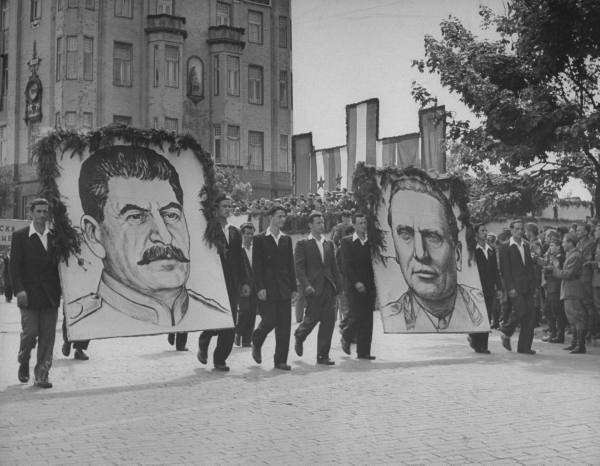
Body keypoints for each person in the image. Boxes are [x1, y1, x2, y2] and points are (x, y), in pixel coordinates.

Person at [68, 145, 230, 339]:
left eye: (171, 215)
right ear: (94, 235)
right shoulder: (84, 323)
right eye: (136, 217)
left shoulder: (216, 315)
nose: (165, 237)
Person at [381, 172, 485, 332]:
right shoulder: (391, 318)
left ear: (457, 254)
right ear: (396, 252)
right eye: (406, 235)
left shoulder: (481, 308)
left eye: (432, 236)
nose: (420, 254)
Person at [10, 198, 61, 388]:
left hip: (50, 295)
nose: (42, 215)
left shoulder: (56, 237)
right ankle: (24, 359)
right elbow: (14, 267)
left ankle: (42, 375)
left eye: (45, 211)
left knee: (48, 337)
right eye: (38, 211)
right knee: (30, 333)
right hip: (28, 295)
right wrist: (19, 290)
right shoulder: (20, 236)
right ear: (30, 213)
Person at [198, 194, 248, 371]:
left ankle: (220, 359)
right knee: (216, 318)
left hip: (232, 282)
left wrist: (244, 281)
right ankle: (204, 339)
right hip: (214, 281)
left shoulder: (235, 231)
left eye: (230, 206)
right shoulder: (209, 229)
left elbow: (240, 258)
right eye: (224, 206)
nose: (228, 209)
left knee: (230, 322)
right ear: (216, 208)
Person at [251, 204, 297, 370]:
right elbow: (257, 266)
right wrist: (260, 287)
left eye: (284, 216)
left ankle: (280, 360)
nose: (282, 219)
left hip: (284, 287)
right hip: (267, 288)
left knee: (284, 326)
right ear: (271, 217)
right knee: (270, 320)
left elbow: (290, 265)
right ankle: (257, 339)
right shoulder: (260, 239)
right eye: (279, 216)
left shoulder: (286, 239)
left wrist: (294, 288)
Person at [294, 211, 341, 365]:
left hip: (329, 287)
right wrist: (306, 285)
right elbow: (299, 268)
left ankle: (323, 355)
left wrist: (339, 286)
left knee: (328, 322)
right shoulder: (303, 244)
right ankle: (300, 335)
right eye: (318, 223)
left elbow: (334, 267)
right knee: (312, 318)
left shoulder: (329, 244)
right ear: (310, 225)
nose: (322, 225)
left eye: (322, 222)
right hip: (313, 288)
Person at [340, 213, 376, 359]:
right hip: (353, 285)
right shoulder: (347, 242)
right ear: (354, 225)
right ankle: (346, 335)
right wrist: (356, 282)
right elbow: (346, 265)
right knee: (357, 315)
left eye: (365, 223)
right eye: (360, 223)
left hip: (369, 284)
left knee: (368, 318)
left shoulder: (371, 242)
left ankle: (364, 351)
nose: (363, 225)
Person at [498, 220, 537, 354]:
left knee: (530, 316)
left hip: (528, 286)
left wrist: (534, 285)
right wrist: (510, 288)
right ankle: (506, 331)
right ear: (511, 230)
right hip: (515, 286)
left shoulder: (526, 245)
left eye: (521, 229)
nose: (520, 231)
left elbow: (530, 267)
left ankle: (524, 347)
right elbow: (505, 270)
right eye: (517, 229)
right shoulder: (505, 246)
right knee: (521, 310)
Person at [467, 223, 501, 354]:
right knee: (478, 316)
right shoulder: (473, 250)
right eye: (482, 231)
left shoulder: (491, 250)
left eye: (486, 230)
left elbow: (495, 271)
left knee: (487, 316)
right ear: (476, 234)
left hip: (489, 288)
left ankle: (483, 345)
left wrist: (499, 287)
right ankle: (476, 341)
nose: (485, 233)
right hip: (476, 288)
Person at [552, 233, 587, 353]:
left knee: (577, 317)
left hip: (573, 290)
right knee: (572, 318)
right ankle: (575, 343)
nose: (562, 244)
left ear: (570, 243)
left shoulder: (575, 256)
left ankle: (580, 345)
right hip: (569, 290)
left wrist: (555, 269)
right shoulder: (571, 255)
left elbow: (568, 274)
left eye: (564, 242)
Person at [236, 222, 257, 347]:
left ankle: (247, 339)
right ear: (242, 235)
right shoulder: (238, 250)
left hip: (255, 285)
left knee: (252, 312)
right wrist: (241, 285)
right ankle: (238, 332)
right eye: (247, 234)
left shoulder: (256, 249)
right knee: (244, 310)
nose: (250, 236)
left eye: (252, 234)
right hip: (243, 286)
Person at [541, 237, 566, 343]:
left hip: (556, 287)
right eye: (550, 245)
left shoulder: (560, 257)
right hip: (550, 286)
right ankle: (553, 332)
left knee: (557, 312)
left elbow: (558, 270)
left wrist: (548, 268)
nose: (550, 248)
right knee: (547, 310)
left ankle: (559, 335)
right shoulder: (551, 256)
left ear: (558, 247)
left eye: (552, 246)